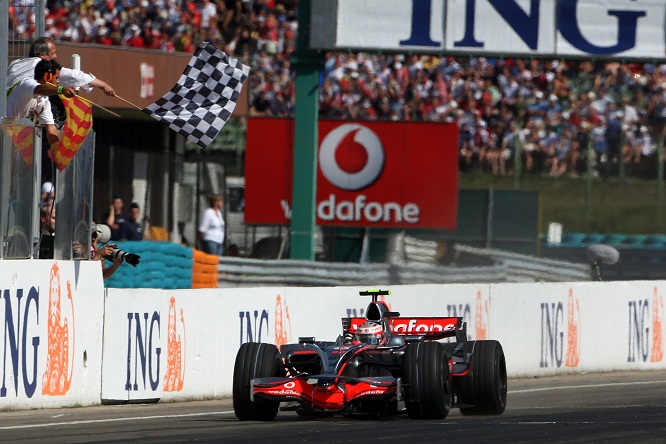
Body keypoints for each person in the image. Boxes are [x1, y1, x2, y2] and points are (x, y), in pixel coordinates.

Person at [7, 37, 115, 97]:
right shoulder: (42, 65)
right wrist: (103, 85)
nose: (56, 56)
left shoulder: (16, 63)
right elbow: (74, 76)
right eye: (53, 53)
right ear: (42, 55)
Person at [5, 59, 76, 147]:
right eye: (56, 78)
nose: (58, 82)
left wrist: (57, 151)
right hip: (4, 134)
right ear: (48, 76)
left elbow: (50, 126)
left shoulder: (44, 100)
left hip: (15, 139)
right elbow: (39, 89)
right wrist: (61, 90)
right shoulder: (26, 84)